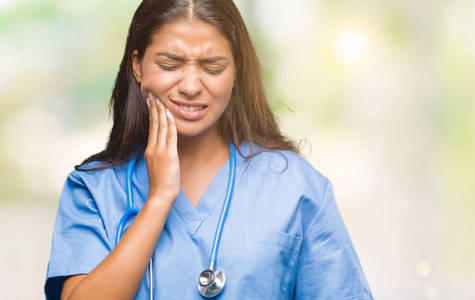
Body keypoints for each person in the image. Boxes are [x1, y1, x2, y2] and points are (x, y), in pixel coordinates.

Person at [44, 0, 372, 299]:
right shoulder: (92, 189)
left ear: (236, 73)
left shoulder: (296, 188)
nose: (190, 86)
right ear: (138, 66)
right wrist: (158, 200)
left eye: (212, 67)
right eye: (170, 64)